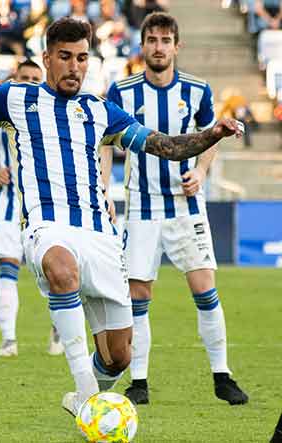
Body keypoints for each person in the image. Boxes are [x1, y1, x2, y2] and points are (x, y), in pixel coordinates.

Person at [0, 17, 244, 417]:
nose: (75, 67)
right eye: (65, 57)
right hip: (46, 225)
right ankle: (87, 394)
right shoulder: (13, 98)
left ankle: (81, 398)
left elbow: (166, 146)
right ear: (47, 58)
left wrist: (212, 135)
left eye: (82, 58)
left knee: (119, 356)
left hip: (100, 235)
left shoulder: (102, 111)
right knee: (62, 268)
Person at [104, 12, 249, 406]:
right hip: (141, 207)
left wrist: (201, 171)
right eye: (152, 40)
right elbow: (105, 143)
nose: (158, 47)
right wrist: (105, 190)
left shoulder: (198, 90)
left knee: (205, 289)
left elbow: (211, 136)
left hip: (186, 206)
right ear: (142, 45)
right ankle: (139, 382)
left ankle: (222, 375)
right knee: (138, 293)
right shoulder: (122, 91)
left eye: (165, 40)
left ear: (176, 46)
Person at [0, 60, 64, 357]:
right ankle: (9, 341)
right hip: (9, 205)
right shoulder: (0, 116)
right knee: (7, 268)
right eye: (23, 77)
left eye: (34, 78)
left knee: (56, 274)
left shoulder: (53, 113)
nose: (28, 81)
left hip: (46, 207)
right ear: (15, 78)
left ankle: (58, 332)